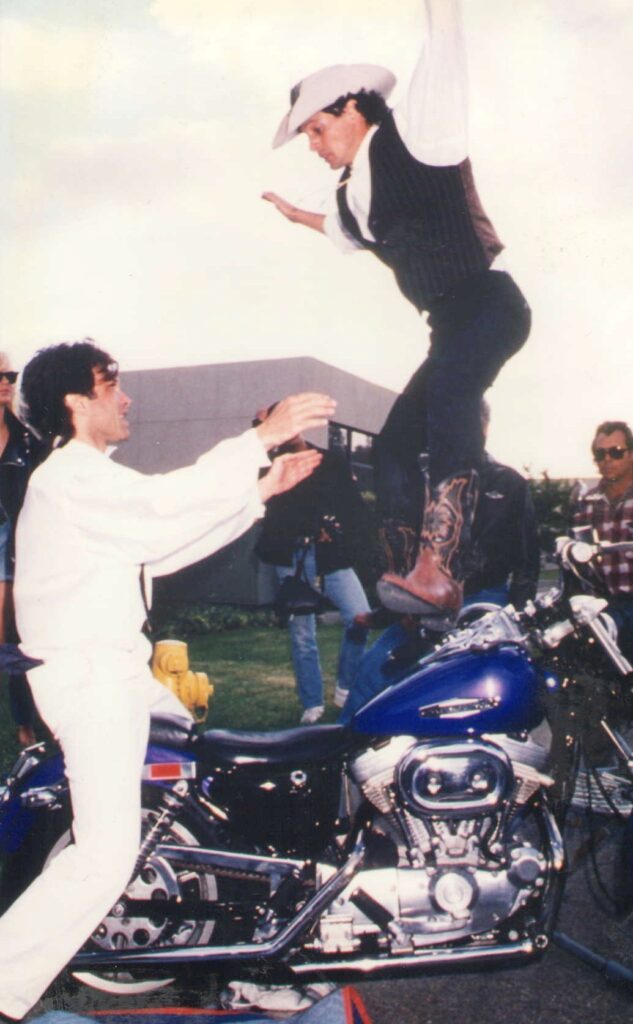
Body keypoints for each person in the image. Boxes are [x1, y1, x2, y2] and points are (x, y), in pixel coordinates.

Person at [0, 338, 335, 1021]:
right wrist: (258, 440)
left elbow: (165, 545)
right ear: (76, 401)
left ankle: (248, 964)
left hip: (119, 677)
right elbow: (162, 507)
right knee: (104, 859)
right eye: (111, 385)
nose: (126, 399)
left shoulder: (86, 480)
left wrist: (260, 490)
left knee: (216, 800)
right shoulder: (68, 478)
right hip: (92, 685)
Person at [263, 0, 530, 620]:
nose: (312, 145)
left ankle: (441, 567)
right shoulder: (352, 197)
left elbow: (445, 39)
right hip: (450, 326)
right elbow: (345, 231)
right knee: (392, 447)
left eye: (316, 130)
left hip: (490, 304)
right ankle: (409, 577)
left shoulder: (417, 133)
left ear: (353, 110)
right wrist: (295, 215)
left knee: (452, 402)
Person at [341, 399, 539, 722]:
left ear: (484, 428)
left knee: (474, 689)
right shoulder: (423, 482)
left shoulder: (510, 483)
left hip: (485, 601)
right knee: (372, 674)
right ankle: (348, 748)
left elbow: (527, 560)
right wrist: (401, 609)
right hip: (427, 604)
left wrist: (518, 622)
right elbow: (405, 552)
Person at [254, 404, 371, 723]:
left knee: (360, 617)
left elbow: (353, 508)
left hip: (330, 557)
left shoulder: (329, 461)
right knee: (303, 635)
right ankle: (312, 703)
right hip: (291, 559)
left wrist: (337, 529)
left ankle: (346, 686)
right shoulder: (269, 467)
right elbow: (271, 513)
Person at [0, 352, 45, 746]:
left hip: (15, 547)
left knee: (19, 633)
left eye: (10, 375)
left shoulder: (28, 441)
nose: (6, 381)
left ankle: (27, 722)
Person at [570, 420, 633, 662]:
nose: (607, 459)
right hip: (602, 610)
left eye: (616, 452)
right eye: (600, 454)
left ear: (631, 454)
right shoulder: (586, 502)